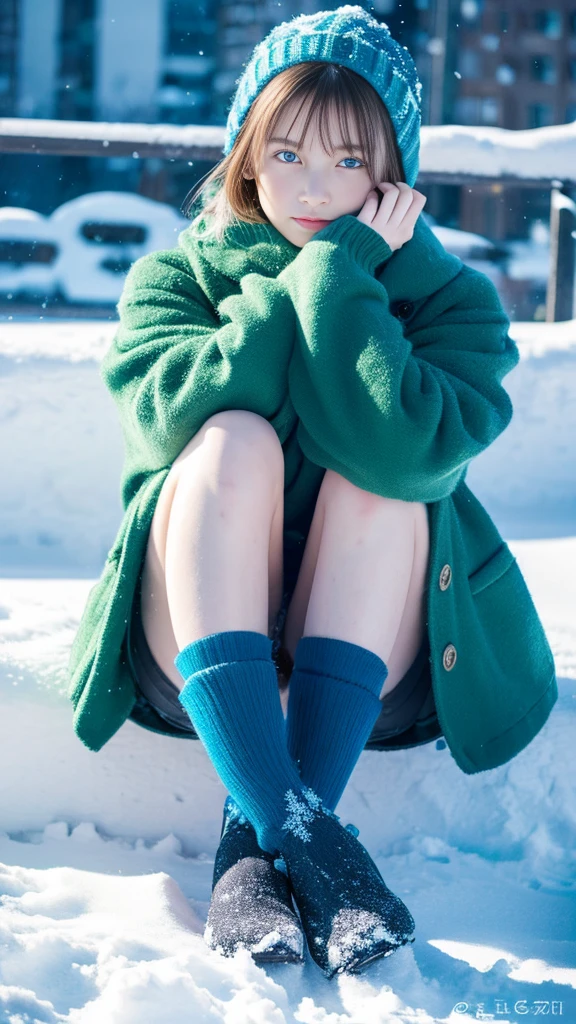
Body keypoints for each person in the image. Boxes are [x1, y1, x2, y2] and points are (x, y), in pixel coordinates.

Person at [67, 5, 558, 979]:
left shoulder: (449, 300)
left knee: (379, 483)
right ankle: (303, 838)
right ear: (246, 154)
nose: (315, 187)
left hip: (381, 653)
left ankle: (252, 849)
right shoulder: (179, 277)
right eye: (286, 154)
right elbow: (167, 417)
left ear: (390, 171)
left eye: (346, 162)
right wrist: (288, 286)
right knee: (230, 440)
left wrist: (343, 279)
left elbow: (414, 452)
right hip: (195, 640)